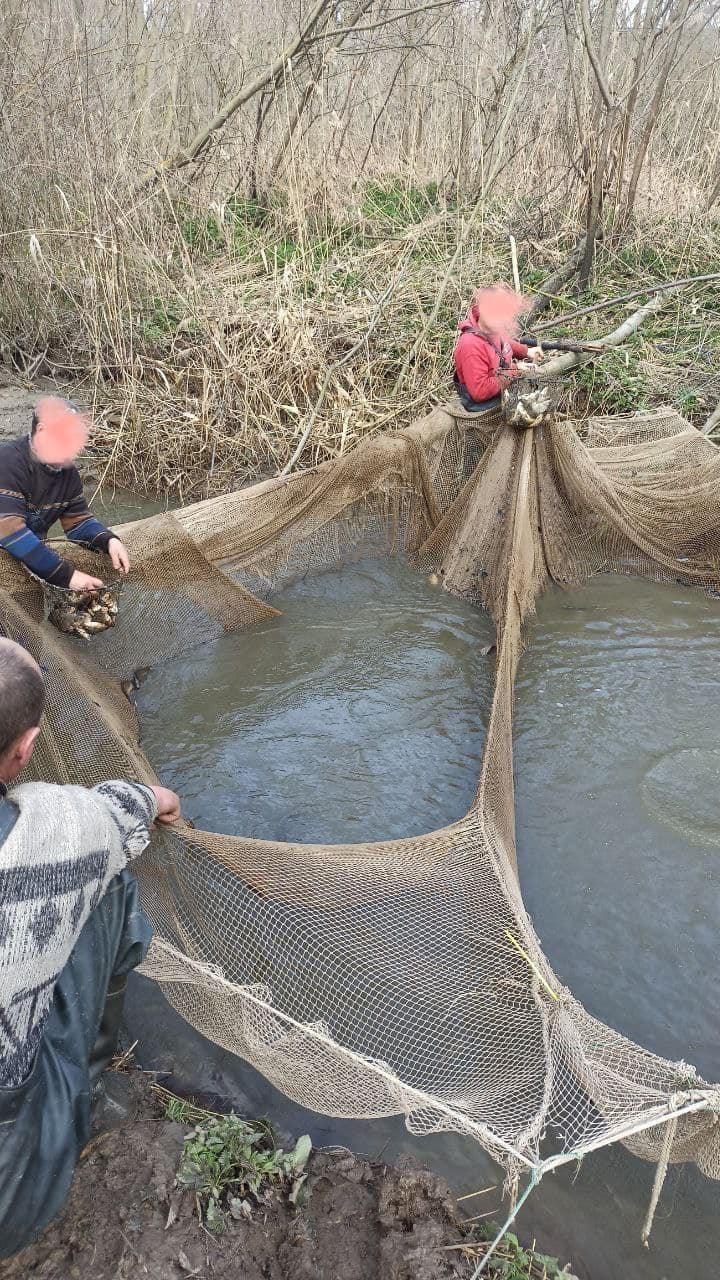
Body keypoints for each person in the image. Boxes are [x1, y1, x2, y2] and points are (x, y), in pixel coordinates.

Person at [0, 636, 181, 1258]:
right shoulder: (55, 828)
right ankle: (89, 1091)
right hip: (10, 1179)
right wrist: (161, 800)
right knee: (109, 889)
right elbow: (134, 807)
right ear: (25, 750)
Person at [0, 396, 130, 591]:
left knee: (33, 619)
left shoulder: (68, 475)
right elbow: (9, 529)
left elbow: (79, 523)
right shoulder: (8, 460)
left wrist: (108, 540)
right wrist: (67, 577)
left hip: (27, 568)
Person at [453, 284, 542, 413]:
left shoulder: (492, 327)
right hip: (484, 407)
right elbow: (479, 392)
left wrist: (526, 351)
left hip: (502, 383)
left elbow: (504, 341)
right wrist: (514, 370)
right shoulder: (470, 346)